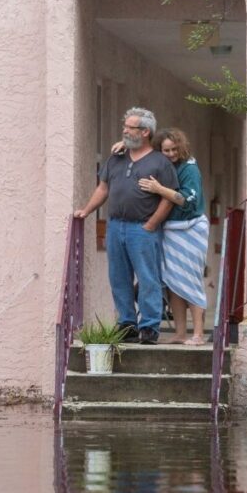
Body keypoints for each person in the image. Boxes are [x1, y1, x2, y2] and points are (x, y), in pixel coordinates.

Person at [74, 108, 179, 344]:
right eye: (125, 126)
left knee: (147, 277)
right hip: (115, 226)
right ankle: (127, 323)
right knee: (118, 277)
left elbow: (169, 198)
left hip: (142, 228)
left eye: (129, 127)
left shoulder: (160, 162)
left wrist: (152, 224)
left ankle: (150, 326)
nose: (124, 130)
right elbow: (103, 188)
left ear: (144, 132)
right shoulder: (116, 158)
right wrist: (87, 211)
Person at [128, 128, 209, 345]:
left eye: (174, 149)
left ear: (181, 147)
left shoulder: (189, 169)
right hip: (171, 230)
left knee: (191, 280)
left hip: (190, 229)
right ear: (159, 150)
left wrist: (158, 188)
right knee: (174, 282)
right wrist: (122, 145)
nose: (171, 153)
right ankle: (181, 333)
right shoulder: (164, 166)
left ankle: (199, 334)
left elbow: (187, 200)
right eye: (166, 150)